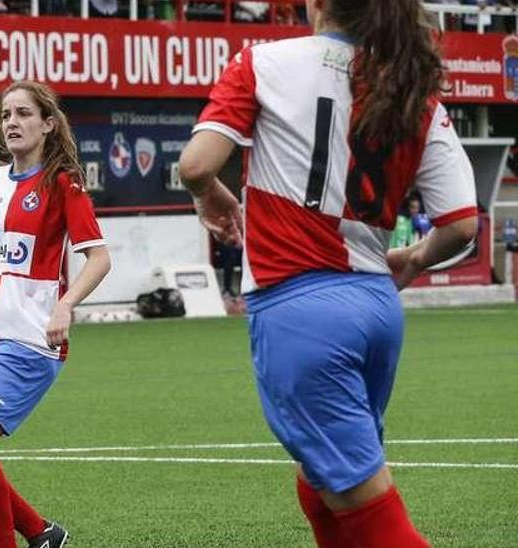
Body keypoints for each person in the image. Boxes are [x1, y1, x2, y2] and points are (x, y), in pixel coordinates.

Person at [178, 0, 478, 544]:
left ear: (316, 5)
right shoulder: (413, 89)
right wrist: (412, 258)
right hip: (376, 306)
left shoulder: (261, 63)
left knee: (375, 514)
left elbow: (197, 163)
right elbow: (460, 225)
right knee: (321, 476)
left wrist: (209, 196)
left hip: (300, 309)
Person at [0, 80, 111, 548]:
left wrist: (65, 306)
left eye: (25, 113)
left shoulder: (62, 181)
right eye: (6, 115)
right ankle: (42, 533)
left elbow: (99, 258)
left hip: (31, 339)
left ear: (48, 124)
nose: (13, 122)